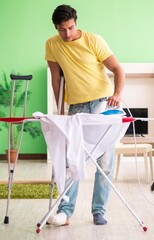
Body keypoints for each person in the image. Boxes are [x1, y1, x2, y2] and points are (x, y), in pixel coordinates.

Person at [45, 4, 125, 226]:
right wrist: (60, 111)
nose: (67, 34)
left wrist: (117, 94)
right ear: (56, 27)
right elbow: (55, 78)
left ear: (75, 23)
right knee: (72, 161)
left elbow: (118, 69)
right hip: (77, 108)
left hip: (102, 104)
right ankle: (65, 212)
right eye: (62, 29)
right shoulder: (52, 44)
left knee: (105, 162)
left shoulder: (93, 40)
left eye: (70, 28)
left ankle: (99, 211)